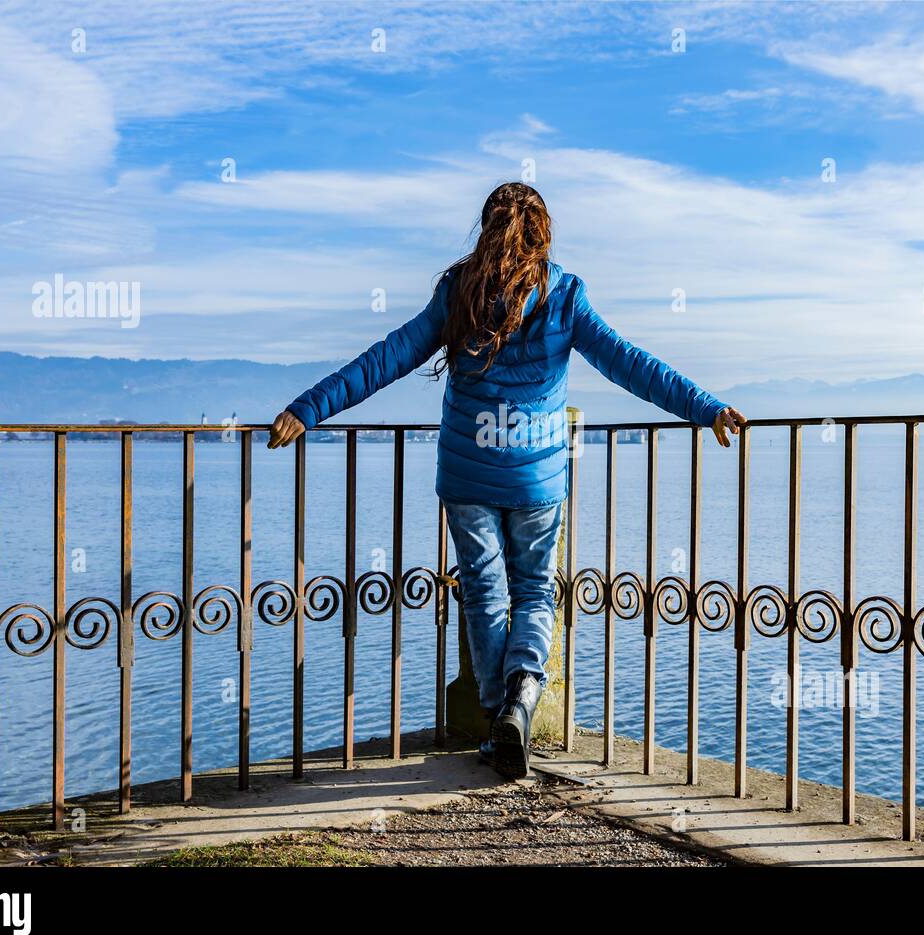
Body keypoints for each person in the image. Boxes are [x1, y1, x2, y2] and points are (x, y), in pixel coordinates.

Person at [268, 182, 746, 779]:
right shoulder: (564, 293)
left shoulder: (459, 291)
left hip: (468, 473)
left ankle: (500, 719)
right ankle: (522, 698)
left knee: (486, 594)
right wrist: (704, 408)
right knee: (536, 592)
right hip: (536, 476)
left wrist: (308, 409)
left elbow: (385, 359)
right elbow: (630, 364)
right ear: (543, 232)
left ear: (486, 228)